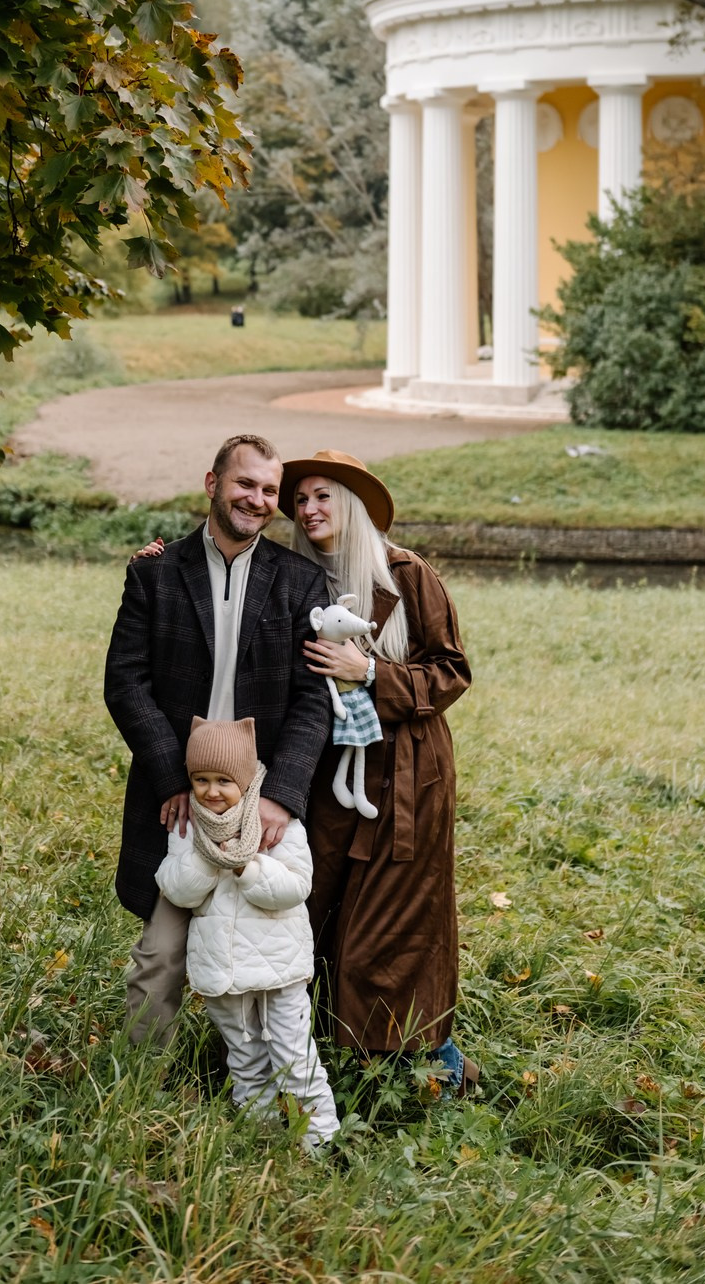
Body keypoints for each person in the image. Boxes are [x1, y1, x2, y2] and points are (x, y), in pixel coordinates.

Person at [104, 433, 330, 1045]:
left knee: (271, 949)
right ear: (213, 484)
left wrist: (282, 793)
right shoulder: (154, 573)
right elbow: (125, 684)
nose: (255, 499)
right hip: (185, 789)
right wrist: (173, 780)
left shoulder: (300, 582)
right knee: (161, 951)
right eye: (244, 484)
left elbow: (315, 699)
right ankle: (135, 1081)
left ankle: (272, 1081)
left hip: (262, 793)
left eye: (267, 490)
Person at [278, 448, 478, 1092]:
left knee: (398, 917)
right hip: (330, 771)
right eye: (300, 500)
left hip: (408, 771)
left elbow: (451, 671)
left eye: (322, 496)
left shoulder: (404, 574)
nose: (308, 509)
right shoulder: (299, 579)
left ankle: (434, 1062)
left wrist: (370, 673)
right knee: (323, 906)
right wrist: (156, 562)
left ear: (352, 504)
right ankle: (326, 1050)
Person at [155, 715, 340, 1150]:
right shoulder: (189, 829)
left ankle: (321, 1141)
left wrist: (246, 865)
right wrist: (208, 859)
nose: (212, 791)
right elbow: (175, 888)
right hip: (223, 971)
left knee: (294, 1058)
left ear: (244, 779)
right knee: (245, 1059)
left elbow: (296, 886)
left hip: (278, 967)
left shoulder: (277, 824)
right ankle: (258, 1139)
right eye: (201, 779)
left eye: (223, 780)